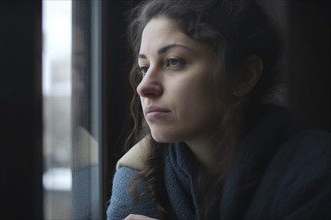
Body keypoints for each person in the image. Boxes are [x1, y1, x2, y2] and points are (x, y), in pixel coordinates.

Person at [106, 0, 331, 219]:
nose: (144, 87)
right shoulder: (138, 179)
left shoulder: (317, 170)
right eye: (144, 68)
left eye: (173, 61)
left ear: (244, 76)